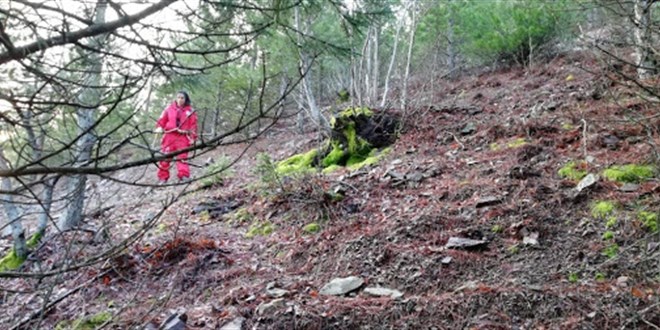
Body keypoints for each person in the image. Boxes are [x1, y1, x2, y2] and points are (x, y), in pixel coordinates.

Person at [155, 91, 198, 183]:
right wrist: (159, 127)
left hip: (182, 137)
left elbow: (193, 125)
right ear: (176, 98)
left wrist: (193, 138)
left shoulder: (190, 111)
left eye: (182, 98)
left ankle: (184, 176)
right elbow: (162, 120)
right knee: (165, 157)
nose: (180, 99)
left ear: (186, 99)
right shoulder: (169, 109)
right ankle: (162, 178)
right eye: (178, 97)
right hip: (169, 136)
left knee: (182, 157)